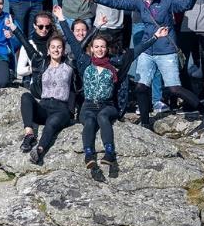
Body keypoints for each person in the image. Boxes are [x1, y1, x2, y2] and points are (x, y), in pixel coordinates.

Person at [84, 0, 204, 133]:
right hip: (147, 50)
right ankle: (146, 124)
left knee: (174, 88)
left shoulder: (167, 0)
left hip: (166, 51)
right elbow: (118, 3)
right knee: (140, 87)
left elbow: (185, 6)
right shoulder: (140, 3)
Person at [65, 21, 169, 177]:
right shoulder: (84, 62)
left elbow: (138, 50)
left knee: (102, 117)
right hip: (88, 105)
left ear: (107, 49)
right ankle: (89, 155)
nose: (100, 49)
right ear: (91, 49)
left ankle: (109, 152)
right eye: (97, 46)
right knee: (89, 121)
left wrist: (155, 37)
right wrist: (61, 19)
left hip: (107, 105)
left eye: (102, 46)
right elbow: (72, 41)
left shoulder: (116, 64)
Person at [11, 20, 72, 165]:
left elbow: (77, 46)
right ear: (48, 50)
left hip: (61, 109)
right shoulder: (41, 63)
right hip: (44, 106)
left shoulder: (69, 64)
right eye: (53, 47)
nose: (56, 50)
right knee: (26, 96)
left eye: (59, 47)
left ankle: (39, 150)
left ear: (63, 50)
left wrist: (63, 21)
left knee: (51, 123)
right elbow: (27, 45)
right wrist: (14, 28)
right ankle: (29, 134)